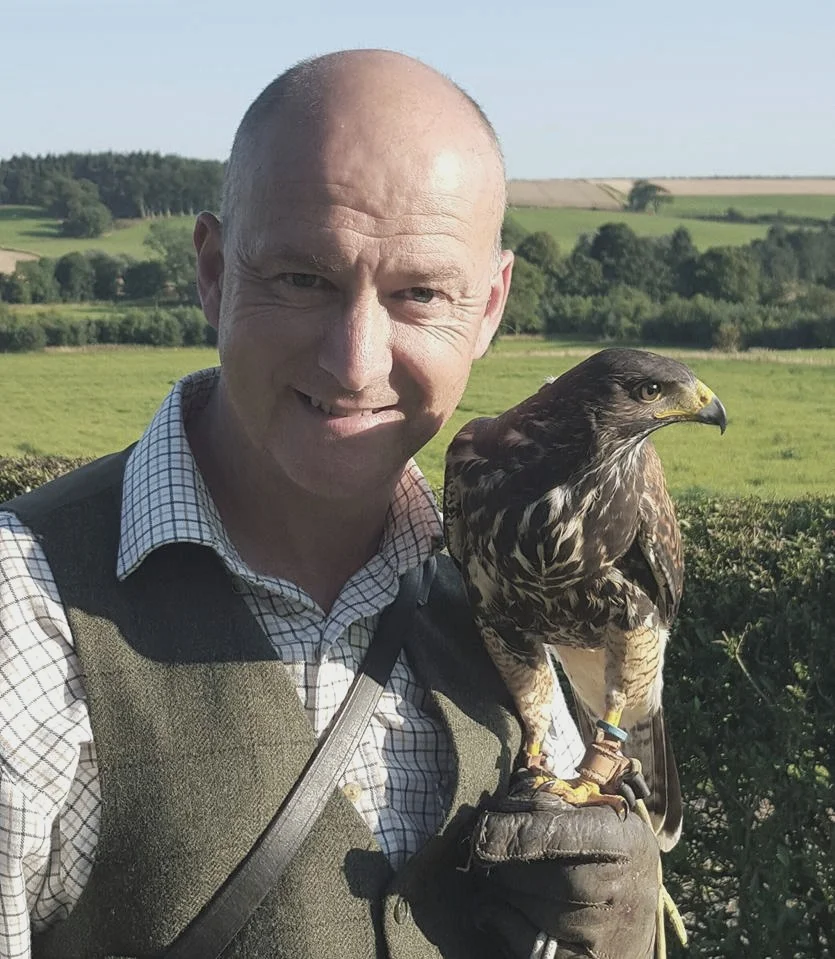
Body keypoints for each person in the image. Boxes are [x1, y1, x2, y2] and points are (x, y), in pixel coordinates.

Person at [0, 50, 660, 959]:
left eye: (419, 292)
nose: (355, 361)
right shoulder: (23, 620)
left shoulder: (514, 583)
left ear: (490, 306)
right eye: (303, 279)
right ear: (212, 270)